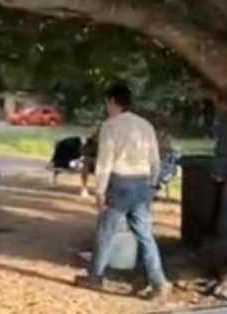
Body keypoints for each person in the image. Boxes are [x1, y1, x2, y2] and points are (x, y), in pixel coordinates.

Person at [75, 83, 172, 300]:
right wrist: (152, 186)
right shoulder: (145, 125)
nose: (106, 107)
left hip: (120, 184)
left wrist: (99, 191)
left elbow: (105, 162)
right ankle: (159, 282)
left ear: (112, 101)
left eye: (107, 103)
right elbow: (155, 160)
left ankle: (95, 277)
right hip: (142, 184)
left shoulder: (110, 126)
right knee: (145, 236)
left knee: (105, 232)